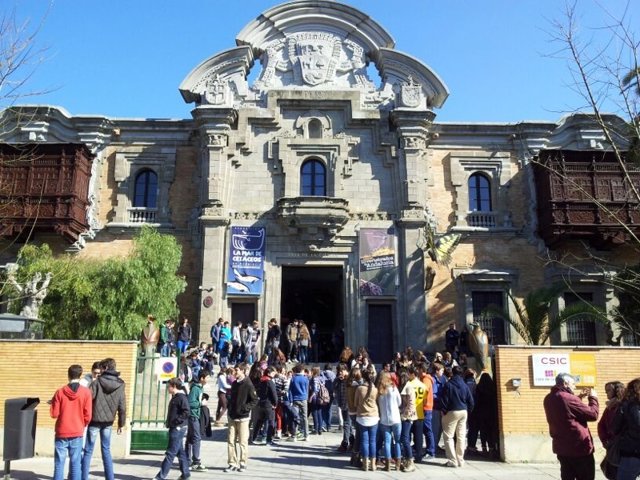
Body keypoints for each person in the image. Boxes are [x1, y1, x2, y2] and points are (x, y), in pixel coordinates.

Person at [543, 373, 599, 480]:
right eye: (573, 384)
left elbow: (566, 411)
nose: (575, 386)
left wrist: (578, 398)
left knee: (567, 476)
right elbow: (593, 414)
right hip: (578, 448)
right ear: (565, 383)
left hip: (562, 448)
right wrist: (593, 398)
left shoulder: (549, 398)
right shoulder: (567, 398)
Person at [81, 358, 126, 480]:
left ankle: (83, 478)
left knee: (88, 451)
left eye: (101, 368)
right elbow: (122, 406)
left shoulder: (97, 382)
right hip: (108, 422)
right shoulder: (121, 384)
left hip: (94, 421)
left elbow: (87, 400)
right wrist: (121, 424)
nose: (99, 371)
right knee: (106, 450)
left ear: (105, 368)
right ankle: (110, 478)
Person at [50, 364, 93, 480]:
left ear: (68, 375)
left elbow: (54, 414)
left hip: (61, 432)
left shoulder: (59, 392)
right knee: (75, 464)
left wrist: (53, 403)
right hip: (77, 432)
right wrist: (81, 424)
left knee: (59, 464)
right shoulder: (86, 392)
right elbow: (88, 415)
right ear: (80, 375)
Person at [152, 378, 191, 480]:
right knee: (180, 452)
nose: (167, 388)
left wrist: (176, 422)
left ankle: (160, 477)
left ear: (173, 386)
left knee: (170, 453)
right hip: (176, 427)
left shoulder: (181, 397)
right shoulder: (176, 397)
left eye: (168, 386)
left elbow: (186, 412)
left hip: (178, 428)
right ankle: (186, 474)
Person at [225, 363, 258, 473]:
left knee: (243, 441)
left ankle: (243, 463)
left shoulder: (248, 384)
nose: (235, 372)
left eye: (237, 370)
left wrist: (245, 408)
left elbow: (254, 400)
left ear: (243, 371)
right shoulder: (234, 383)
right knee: (230, 441)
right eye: (235, 370)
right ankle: (232, 463)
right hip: (232, 416)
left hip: (243, 418)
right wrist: (229, 404)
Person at [440, 365, 475, 468]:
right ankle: (460, 459)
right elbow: (471, 401)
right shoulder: (465, 385)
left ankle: (452, 460)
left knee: (448, 436)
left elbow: (444, 400)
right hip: (463, 411)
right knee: (461, 436)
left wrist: (443, 410)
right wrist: (468, 410)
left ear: (452, 373)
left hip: (452, 411)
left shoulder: (448, 384)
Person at [612, 377, 640, 480]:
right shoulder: (626, 405)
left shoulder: (625, 405)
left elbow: (614, 428)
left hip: (631, 452)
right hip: (632, 452)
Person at [354, 365, 379, 472]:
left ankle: (365, 464)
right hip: (373, 416)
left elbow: (355, 403)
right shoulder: (375, 389)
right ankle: (373, 465)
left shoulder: (360, 388)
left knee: (365, 441)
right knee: (373, 441)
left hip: (362, 417)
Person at [377, 370, 402, 471]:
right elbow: (399, 402)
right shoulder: (393, 388)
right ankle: (398, 464)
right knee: (397, 441)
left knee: (387, 442)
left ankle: (387, 465)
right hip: (395, 418)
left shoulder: (379, 391)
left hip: (384, 419)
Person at [186, 371, 207, 471]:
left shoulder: (199, 388)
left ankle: (187, 459)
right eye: (207, 377)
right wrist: (200, 404)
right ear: (202, 378)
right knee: (196, 438)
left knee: (190, 438)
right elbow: (190, 403)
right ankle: (196, 461)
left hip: (195, 415)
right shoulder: (195, 389)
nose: (208, 380)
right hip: (193, 416)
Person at [252, 366, 278, 445]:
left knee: (259, 421)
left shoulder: (261, 380)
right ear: (269, 373)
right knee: (271, 422)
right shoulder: (270, 382)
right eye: (273, 372)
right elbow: (274, 394)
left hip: (261, 403)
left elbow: (257, 392)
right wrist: (275, 403)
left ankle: (254, 438)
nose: (275, 373)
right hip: (269, 404)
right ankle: (268, 440)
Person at [287, 363, 310, 441]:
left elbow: (290, 390)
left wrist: (290, 400)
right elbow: (307, 389)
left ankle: (294, 435)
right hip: (303, 399)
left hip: (295, 399)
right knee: (305, 418)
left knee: (295, 417)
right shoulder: (305, 378)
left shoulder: (293, 378)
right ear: (302, 370)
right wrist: (306, 397)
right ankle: (306, 435)